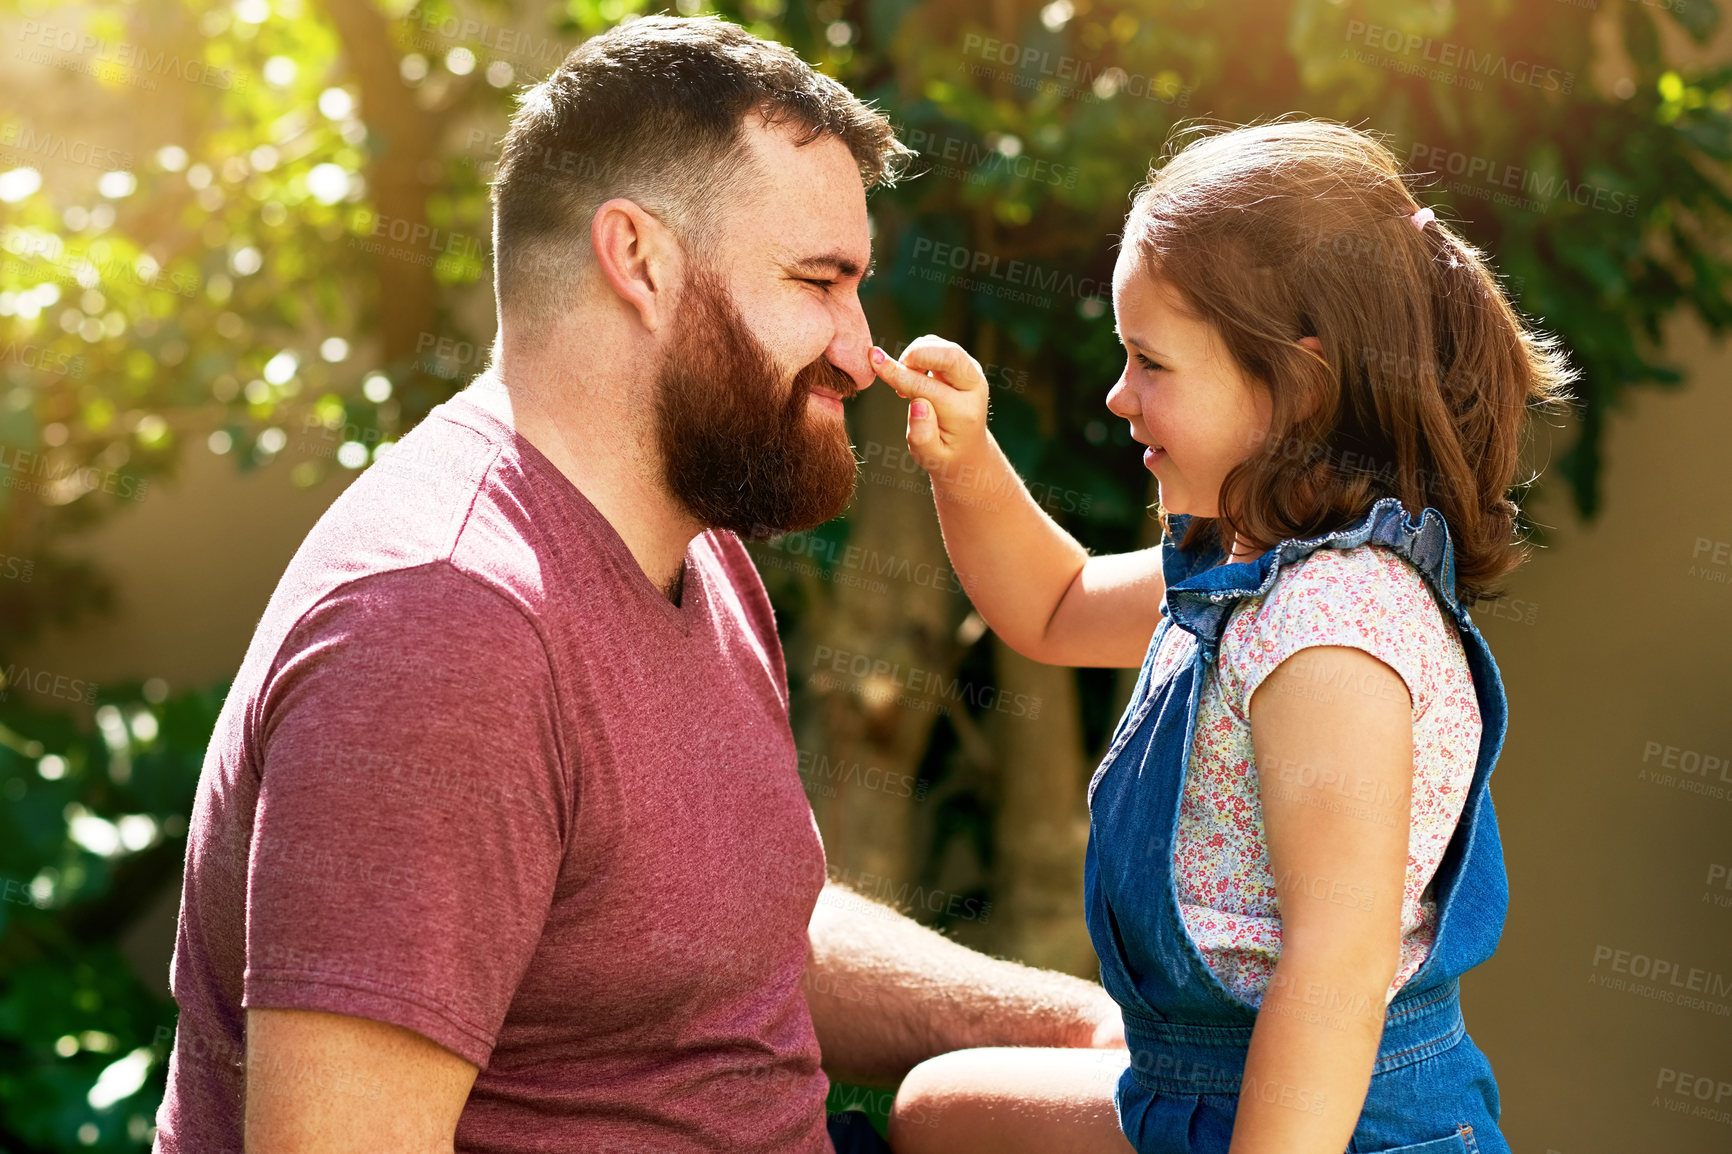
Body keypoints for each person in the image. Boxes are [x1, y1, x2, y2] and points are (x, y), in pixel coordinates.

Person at [152, 16, 1125, 1154]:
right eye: (818, 281)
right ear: (641, 260)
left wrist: (1073, 1023)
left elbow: (712, 937)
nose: (862, 350)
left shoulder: (687, 545)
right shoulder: (444, 626)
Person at [865, 117, 1576, 1154]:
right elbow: (1054, 604)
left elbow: (1334, 969)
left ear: (1300, 381)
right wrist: (968, 463)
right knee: (938, 1110)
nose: (1119, 395)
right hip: (1201, 1077)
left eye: (1150, 361)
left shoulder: (1331, 634)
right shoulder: (1251, 573)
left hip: (1331, 1115)